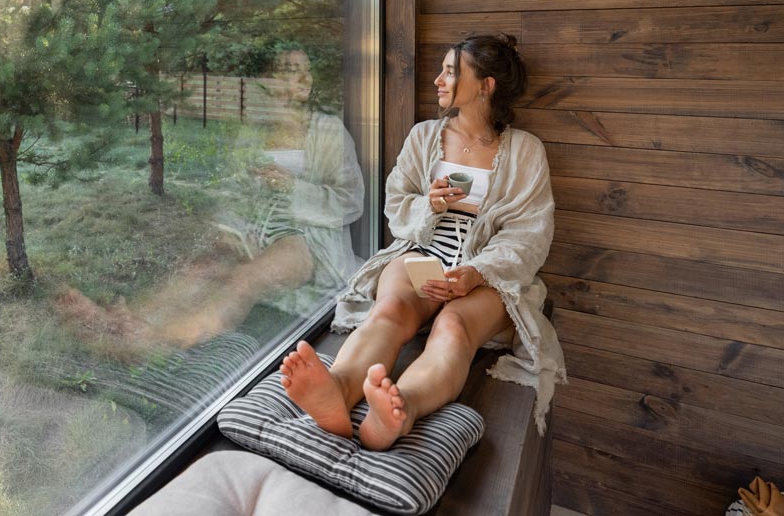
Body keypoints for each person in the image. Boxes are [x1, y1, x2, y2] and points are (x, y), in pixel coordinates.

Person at [278, 33, 564, 449]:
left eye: (451, 71)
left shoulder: (525, 152)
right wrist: (428, 204)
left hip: (487, 272)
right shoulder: (424, 136)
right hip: (423, 253)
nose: (438, 80)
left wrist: (475, 273)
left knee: (453, 326)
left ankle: (400, 408)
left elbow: (530, 234)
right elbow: (397, 204)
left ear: (486, 85)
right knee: (390, 309)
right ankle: (338, 388)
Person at [58, 49, 364, 353]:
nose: (302, 77)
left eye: (306, 70)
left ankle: (155, 340)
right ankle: (122, 322)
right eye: (289, 69)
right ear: (268, 80)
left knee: (245, 277)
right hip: (254, 224)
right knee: (202, 267)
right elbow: (237, 188)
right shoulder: (255, 129)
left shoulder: (328, 130)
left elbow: (351, 200)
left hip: (305, 236)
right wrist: (236, 226)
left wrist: (293, 187)